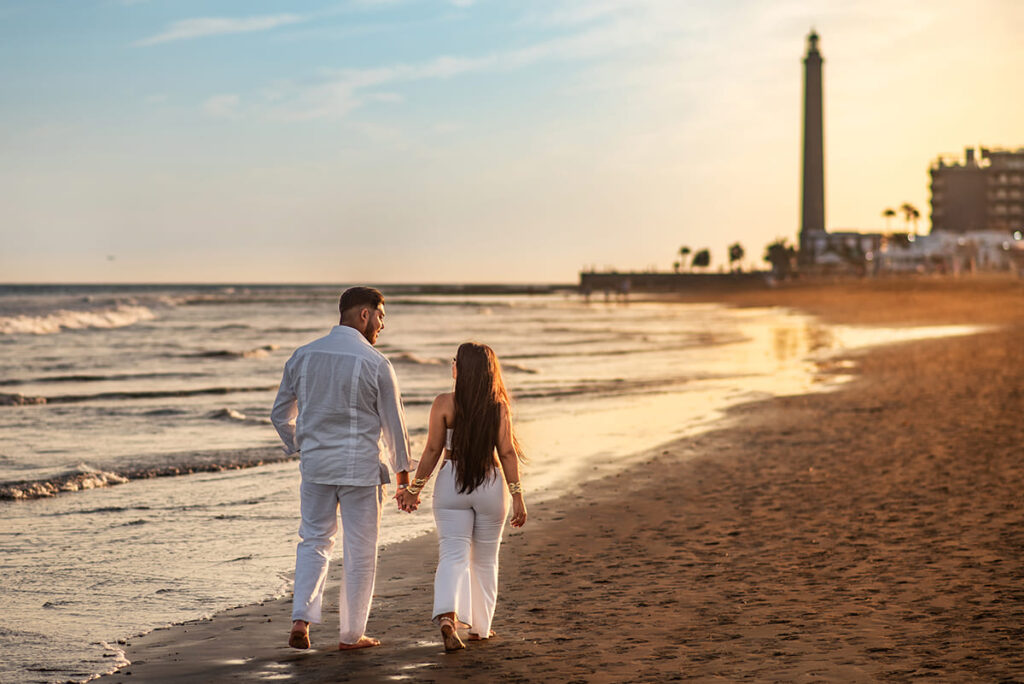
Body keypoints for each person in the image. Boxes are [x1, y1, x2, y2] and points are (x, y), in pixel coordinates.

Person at [271, 286, 413, 651]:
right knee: (361, 550)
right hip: (361, 470)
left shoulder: (303, 355)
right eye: (381, 316)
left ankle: (301, 620)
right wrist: (403, 477)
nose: (382, 325)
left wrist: (302, 445)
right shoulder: (376, 362)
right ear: (364, 314)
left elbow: (279, 415)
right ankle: (351, 636)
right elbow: (393, 425)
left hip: (316, 468)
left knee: (314, 541)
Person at [398, 342, 527, 651]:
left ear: (461, 369)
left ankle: (447, 615)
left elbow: (432, 450)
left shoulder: (444, 403)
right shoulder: (498, 407)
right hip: (490, 484)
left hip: (450, 482)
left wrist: (414, 490)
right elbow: (507, 453)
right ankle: (480, 629)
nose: (451, 364)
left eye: (454, 361)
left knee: (452, 555)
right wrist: (518, 497)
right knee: (484, 560)